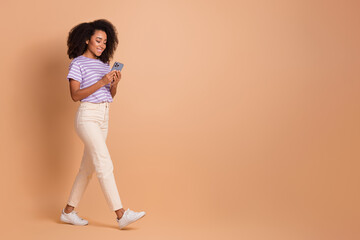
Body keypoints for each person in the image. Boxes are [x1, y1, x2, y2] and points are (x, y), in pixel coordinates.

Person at [60, 19, 145, 229]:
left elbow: (109, 94)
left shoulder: (103, 65)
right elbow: (75, 95)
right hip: (87, 117)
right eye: (98, 40)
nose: (102, 45)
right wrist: (102, 81)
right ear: (87, 39)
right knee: (104, 162)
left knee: (87, 169)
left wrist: (114, 84)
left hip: (104, 116)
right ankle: (120, 214)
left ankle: (68, 212)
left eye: (105, 42)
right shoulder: (77, 63)